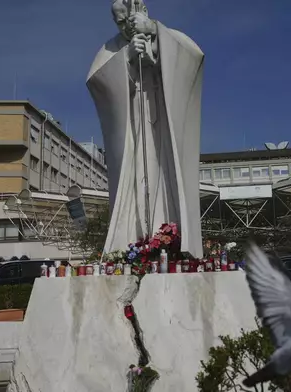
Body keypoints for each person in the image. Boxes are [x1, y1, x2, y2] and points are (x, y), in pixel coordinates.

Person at [86, 0, 204, 257]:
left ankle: (175, 240)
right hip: (134, 130)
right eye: (119, 22)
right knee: (137, 176)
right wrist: (125, 60)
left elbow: (193, 57)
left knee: (168, 175)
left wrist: (153, 33)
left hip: (164, 121)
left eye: (127, 19)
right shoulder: (110, 48)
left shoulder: (166, 35)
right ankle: (133, 241)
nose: (125, 25)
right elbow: (97, 82)